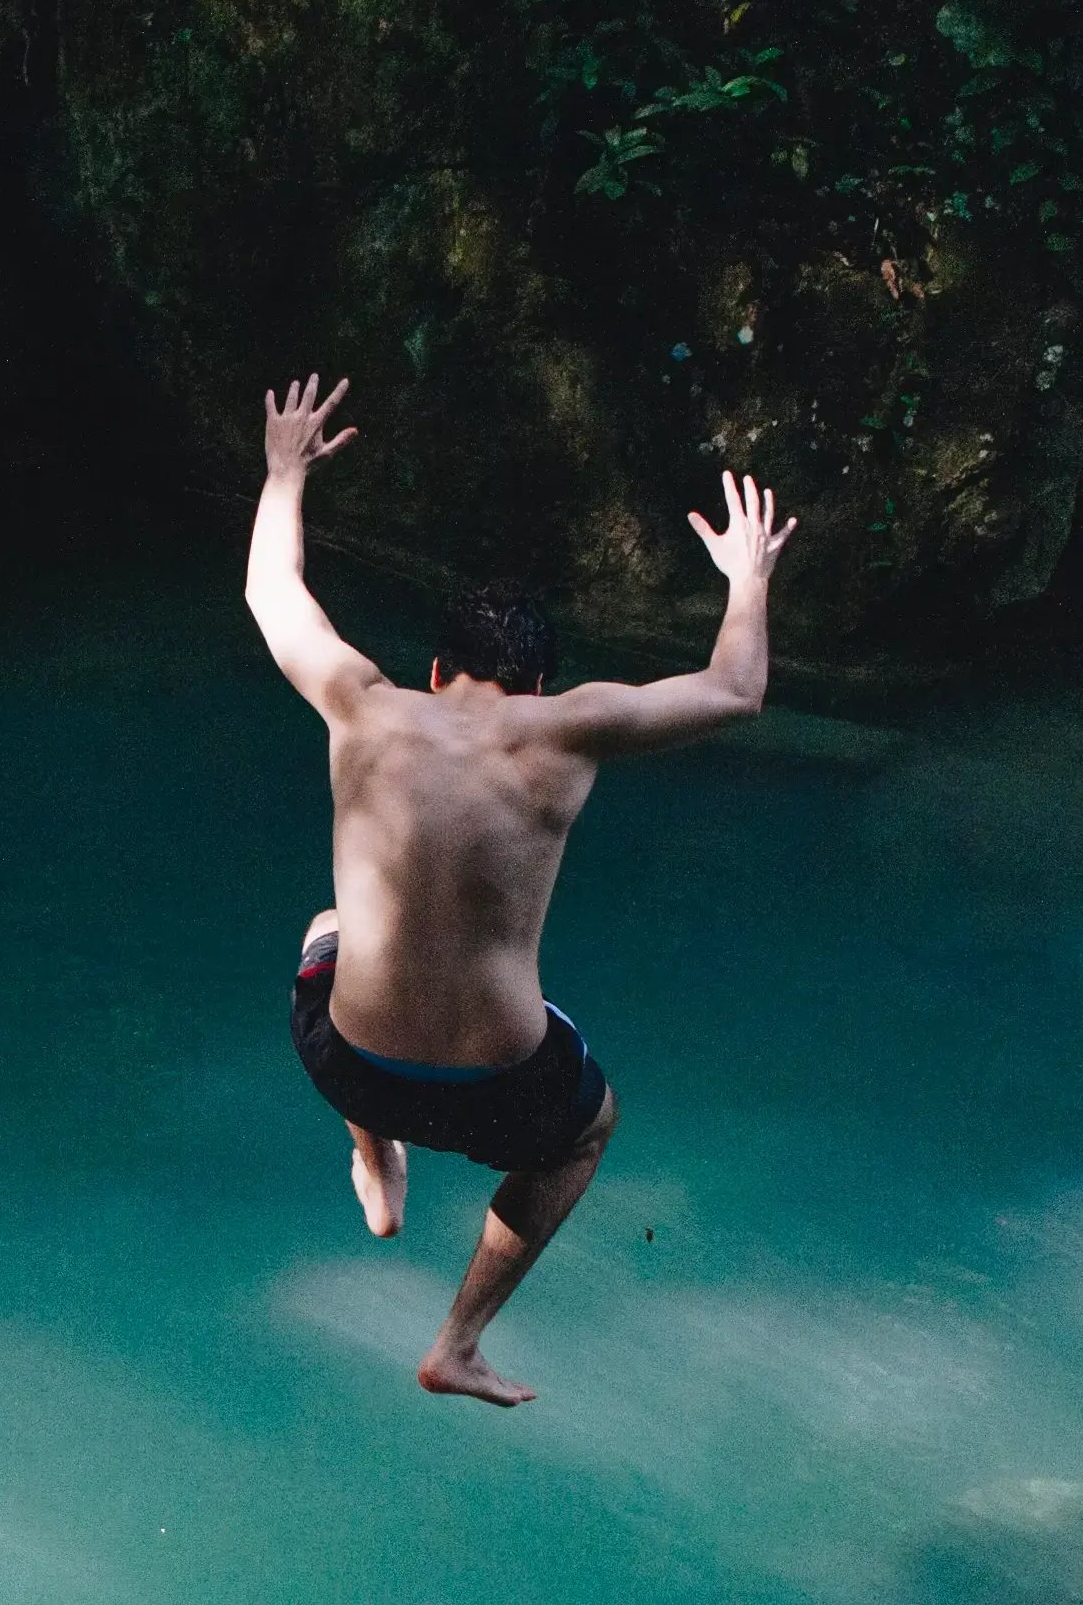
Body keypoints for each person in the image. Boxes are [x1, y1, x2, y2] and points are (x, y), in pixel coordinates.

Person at [245, 374, 795, 1404]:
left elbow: (272, 595)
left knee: (329, 927)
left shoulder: (363, 705)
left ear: (438, 668)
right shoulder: (571, 726)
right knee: (590, 1128)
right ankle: (456, 1343)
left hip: (346, 1062)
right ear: (539, 685)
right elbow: (737, 689)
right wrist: (745, 575)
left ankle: (376, 1162)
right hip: (498, 1086)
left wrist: (285, 473)